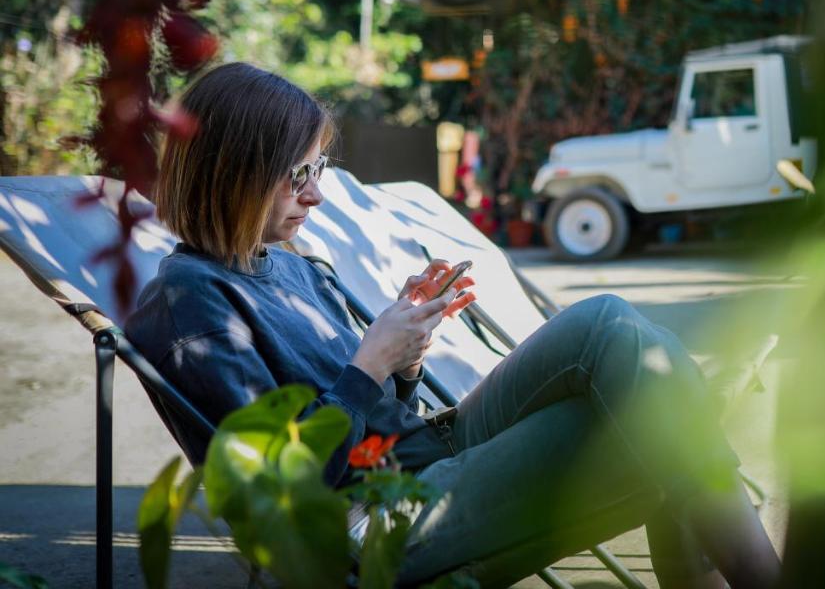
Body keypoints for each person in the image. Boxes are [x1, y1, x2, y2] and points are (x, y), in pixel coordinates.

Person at [126, 62, 781, 589]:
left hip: (420, 454)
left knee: (609, 325)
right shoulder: (191, 301)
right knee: (658, 406)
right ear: (231, 174)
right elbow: (281, 497)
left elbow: (376, 422)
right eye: (298, 175)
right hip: (368, 523)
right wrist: (369, 365)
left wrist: (405, 363)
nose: (317, 194)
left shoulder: (293, 266)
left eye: (318, 169)